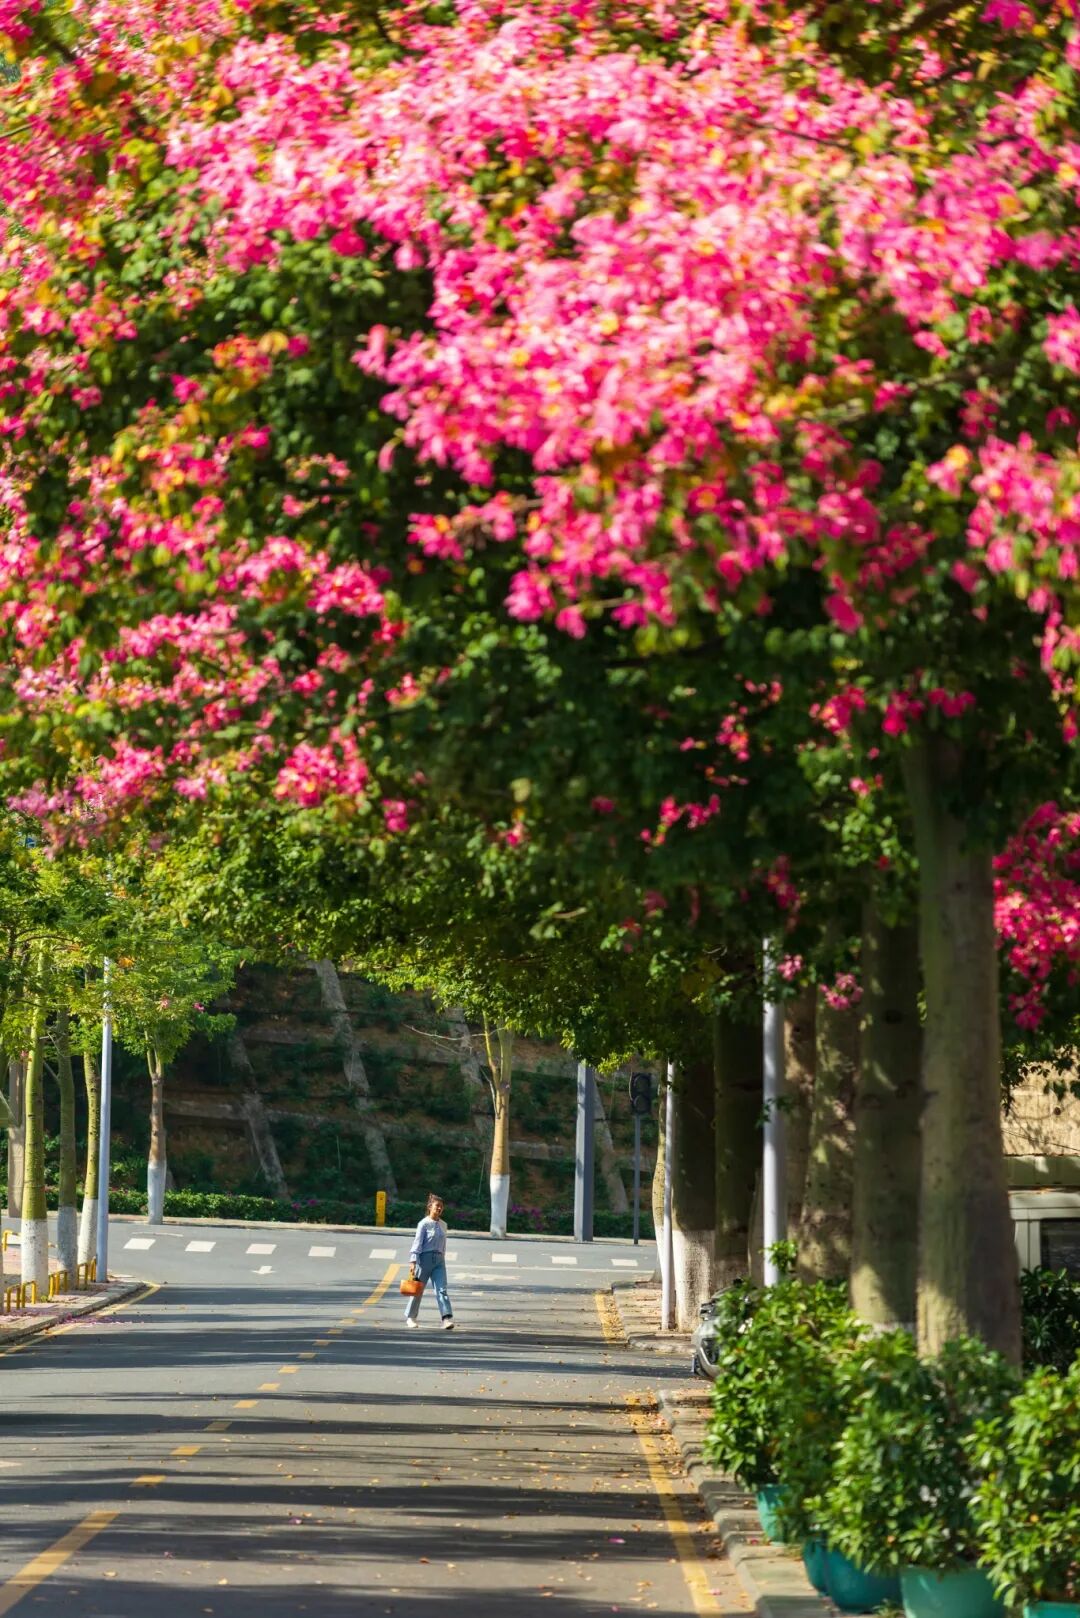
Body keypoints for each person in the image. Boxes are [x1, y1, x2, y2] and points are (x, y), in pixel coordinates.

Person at [404, 1193, 454, 1330]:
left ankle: (446, 1318)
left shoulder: (444, 1225)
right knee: (417, 1290)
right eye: (437, 1206)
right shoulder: (423, 1224)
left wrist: (442, 1259)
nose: (439, 1209)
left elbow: (444, 1244)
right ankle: (411, 1317)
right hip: (424, 1260)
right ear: (430, 1207)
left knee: (442, 1290)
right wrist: (413, 1262)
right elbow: (417, 1243)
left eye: (441, 1207)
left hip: (439, 1261)